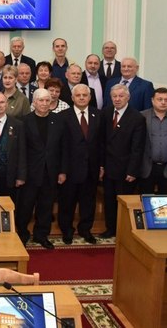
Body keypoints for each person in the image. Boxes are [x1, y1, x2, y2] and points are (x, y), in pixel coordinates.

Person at [17, 88, 66, 249]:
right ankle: (22, 234)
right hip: (30, 173)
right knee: (25, 206)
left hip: (51, 172)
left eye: (47, 100)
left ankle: (41, 235)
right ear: (34, 102)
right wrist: (21, 174)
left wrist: (62, 171)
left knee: (46, 206)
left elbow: (64, 148)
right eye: (41, 100)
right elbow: (20, 150)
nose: (44, 103)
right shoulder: (24, 122)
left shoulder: (58, 121)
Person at [58, 84, 103, 245]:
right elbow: (60, 146)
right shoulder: (63, 116)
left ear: (90, 97)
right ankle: (67, 231)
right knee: (67, 202)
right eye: (78, 95)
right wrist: (62, 170)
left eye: (85, 95)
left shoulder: (98, 115)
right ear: (72, 97)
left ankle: (85, 230)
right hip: (69, 169)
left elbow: (101, 143)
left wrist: (101, 166)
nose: (82, 98)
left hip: (91, 168)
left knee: (88, 202)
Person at [100, 84, 146, 238]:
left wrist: (132, 170)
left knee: (123, 202)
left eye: (121, 96)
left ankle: (123, 231)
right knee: (109, 200)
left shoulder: (137, 117)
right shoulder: (105, 113)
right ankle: (110, 229)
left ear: (128, 97)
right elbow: (101, 141)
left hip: (125, 169)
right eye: (114, 96)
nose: (117, 99)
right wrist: (101, 165)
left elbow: (138, 147)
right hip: (108, 167)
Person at [0, 93, 26, 228]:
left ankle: (9, 232)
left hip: (9, 176)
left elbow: (22, 152)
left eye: (2, 102)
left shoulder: (18, 124)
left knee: (8, 208)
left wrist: (21, 176)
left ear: (7, 104)